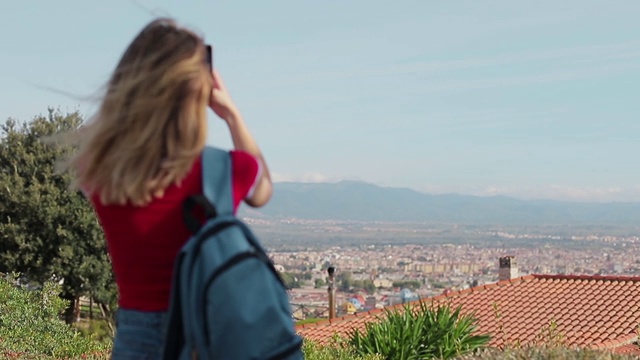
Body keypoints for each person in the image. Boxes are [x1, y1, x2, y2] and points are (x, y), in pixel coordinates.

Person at [63, 18, 273, 359]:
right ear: (199, 92)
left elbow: (102, 136)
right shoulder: (219, 171)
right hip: (204, 341)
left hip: (134, 342)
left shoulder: (102, 172)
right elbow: (262, 189)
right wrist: (231, 112)